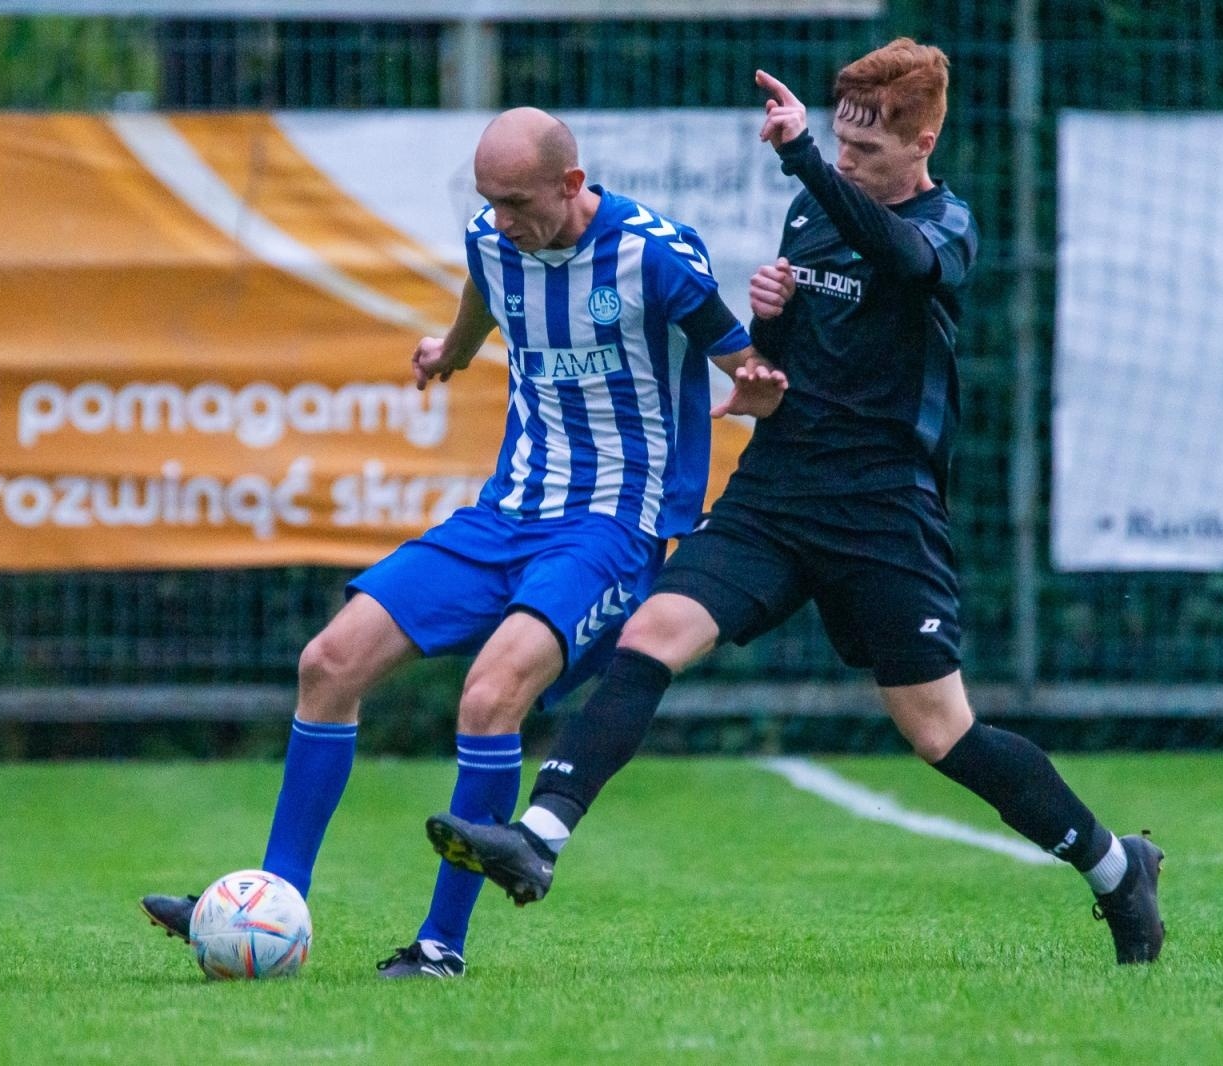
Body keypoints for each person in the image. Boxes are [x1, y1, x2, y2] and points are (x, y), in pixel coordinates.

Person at [425, 41, 1167, 966]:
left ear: (924, 138)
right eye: (840, 147)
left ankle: (1114, 869)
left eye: (865, 153)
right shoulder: (810, 211)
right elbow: (781, 368)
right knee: (653, 633)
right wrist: (769, 319)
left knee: (942, 734)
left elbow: (896, 256)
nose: (846, 164)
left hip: (883, 511)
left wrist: (808, 157)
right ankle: (539, 838)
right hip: (778, 491)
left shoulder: (948, 224)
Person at [140, 106, 787, 979]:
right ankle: (270, 906)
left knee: (490, 696)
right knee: (328, 663)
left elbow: (743, 364)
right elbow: (488, 290)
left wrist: (760, 385)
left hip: (611, 527)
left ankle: (441, 946)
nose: (500, 218)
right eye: (489, 200)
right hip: (504, 513)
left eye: (517, 201)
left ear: (571, 183)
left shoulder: (655, 255)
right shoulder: (494, 236)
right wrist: (452, 349)